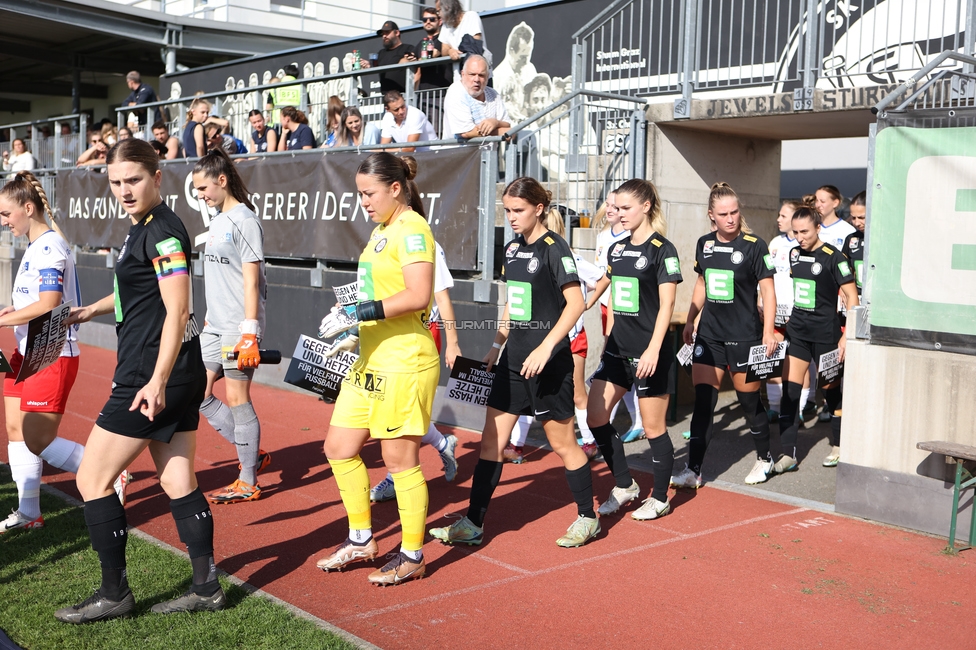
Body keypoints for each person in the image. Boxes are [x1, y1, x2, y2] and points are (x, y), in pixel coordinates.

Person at [54, 139, 219, 623]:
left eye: (133, 180)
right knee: (176, 477)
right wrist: (90, 310)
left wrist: (158, 379)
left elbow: (178, 309)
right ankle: (206, 588)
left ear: (157, 177)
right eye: (116, 183)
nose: (124, 190)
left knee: (92, 478)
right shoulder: (142, 229)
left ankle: (114, 594)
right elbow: (136, 290)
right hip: (171, 370)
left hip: (152, 373)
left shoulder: (164, 232)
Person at [429, 177, 599, 549]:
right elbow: (514, 302)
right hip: (512, 362)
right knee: (492, 442)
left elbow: (575, 304)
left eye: (518, 210)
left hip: (550, 365)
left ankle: (588, 516)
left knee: (563, 443)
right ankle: (473, 524)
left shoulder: (556, 249)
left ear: (539, 209)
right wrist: (495, 345)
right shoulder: (511, 250)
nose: (511, 218)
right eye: (507, 210)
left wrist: (548, 346)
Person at [314, 153, 438, 586]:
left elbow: (419, 295)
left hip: (405, 361)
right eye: (360, 193)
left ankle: (412, 554)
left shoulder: (414, 228)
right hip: (371, 358)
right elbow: (378, 296)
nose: (363, 201)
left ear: (396, 189)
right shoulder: (380, 231)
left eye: (369, 193)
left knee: (398, 459)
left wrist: (359, 311)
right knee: (338, 447)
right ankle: (362, 539)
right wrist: (355, 328)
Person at [0, 172, 127, 534]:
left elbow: (48, 305)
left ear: (28, 207)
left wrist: (3, 323)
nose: (4, 222)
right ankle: (29, 512)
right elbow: (34, 301)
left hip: (50, 354)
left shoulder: (50, 246)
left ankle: (109, 473)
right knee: (14, 429)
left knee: (37, 439)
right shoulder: (36, 244)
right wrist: (11, 311)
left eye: (7, 214)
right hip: (27, 352)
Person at [586, 179, 683, 520]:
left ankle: (660, 497)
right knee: (595, 415)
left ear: (646, 207)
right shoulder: (617, 248)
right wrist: (581, 303)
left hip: (648, 353)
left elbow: (667, 306)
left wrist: (654, 349)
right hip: (617, 351)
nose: (619, 214)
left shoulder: (663, 250)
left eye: (626, 208)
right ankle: (625, 484)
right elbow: (606, 288)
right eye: (617, 207)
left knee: (654, 428)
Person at [672, 182, 778, 488]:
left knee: (748, 401)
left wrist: (769, 331)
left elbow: (768, 291)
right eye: (723, 214)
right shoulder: (704, 244)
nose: (730, 218)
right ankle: (693, 469)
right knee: (704, 403)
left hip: (745, 336)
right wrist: (691, 319)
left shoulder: (755, 245)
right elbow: (702, 283)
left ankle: (764, 458)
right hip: (710, 336)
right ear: (711, 216)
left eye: (734, 212)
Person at [191, 149, 270, 504]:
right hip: (213, 325)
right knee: (198, 393)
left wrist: (249, 332)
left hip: (238, 328)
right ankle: (254, 455)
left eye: (204, 187)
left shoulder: (244, 220)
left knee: (238, 398)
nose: (200, 195)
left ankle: (248, 478)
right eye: (196, 190)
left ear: (222, 181)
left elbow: (251, 283)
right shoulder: (217, 221)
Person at [368, 240, 460, 502]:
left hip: (420, 334)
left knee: (400, 411)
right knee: (398, 410)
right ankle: (442, 444)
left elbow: (442, 298)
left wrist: (452, 343)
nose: (366, 204)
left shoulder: (424, 242)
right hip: (385, 334)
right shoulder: (378, 239)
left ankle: (395, 478)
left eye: (370, 195)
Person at [773, 203, 859, 472]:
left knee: (830, 391)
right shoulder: (793, 254)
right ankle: (788, 455)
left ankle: (839, 445)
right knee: (790, 391)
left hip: (826, 334)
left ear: (818, 228)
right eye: (796, 232)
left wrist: (846, 337)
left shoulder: (835, 257)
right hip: (798, 332)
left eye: (805, 232)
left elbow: (852, 297)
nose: (800, 237)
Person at [545, 206, 604, 460]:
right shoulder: (533, 257)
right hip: (546, 338)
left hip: (572, 337)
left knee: (578, 391)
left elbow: (602, 278)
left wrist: (587, 303)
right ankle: (515, 443)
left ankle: (591, 440)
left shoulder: (572, 260)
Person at [590, 192, 644, 442]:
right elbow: (600, 276)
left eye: (618, 206)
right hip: (606, 307)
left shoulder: (630, 236)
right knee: (613, 362)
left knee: (625, 365)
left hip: (626, 310)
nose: (612, 210)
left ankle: (638, 421)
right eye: (609, 205)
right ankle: (609, 423)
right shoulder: (602, 237)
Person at [765, 199, 802, 421]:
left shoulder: (803, 245)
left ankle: (797, 410)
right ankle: (774, 407)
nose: (778, 219)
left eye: (783, 216)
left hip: (798, 313)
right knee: (773, 357)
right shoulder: (774, 243)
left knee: (797, 363)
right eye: (778, 215)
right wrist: (762, 303)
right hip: (775, 312)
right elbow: (766, 278)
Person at [443, 55, 510, 140]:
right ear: (463, 74)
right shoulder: (456, 91)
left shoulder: (493, 94)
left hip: (487, 152)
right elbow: (466, 133)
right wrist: (504, 133)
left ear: (487, 76)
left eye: (481, 75)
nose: (476, 79)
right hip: (459, 152)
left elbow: (507, 124)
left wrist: (495, 122)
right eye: (472, 74)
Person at [413, 7, 453, 132]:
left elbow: (435, 53)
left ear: (440, 21)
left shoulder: (445, 39)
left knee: (438, 131)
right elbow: (415, 68)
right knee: (423, 132)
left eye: (431, 19)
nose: (428, 22)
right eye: (425, 19)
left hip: (439, 94)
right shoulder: (420, 43)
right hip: (422, 95)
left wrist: (420, 59)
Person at [494, 22, 537, 123]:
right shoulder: (498, 76)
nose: (526, 61)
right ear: (511, 51)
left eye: (529, 55)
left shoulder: (530, 69)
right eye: (523, 57)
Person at [436, 0, 493, 69]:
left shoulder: (471, 16)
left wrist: (454, 50)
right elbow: (444, 49)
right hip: (460, 77)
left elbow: (474, 44)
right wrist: (450, 51)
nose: (438, 14)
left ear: (447, 8)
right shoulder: (445, 26)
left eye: (438, 11)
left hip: (479, 73)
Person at [367, 21, 415, 94]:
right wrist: (367, 66)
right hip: (386, 97)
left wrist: (403, 61)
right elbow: (374, 67)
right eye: (383, 33)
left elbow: (415, 64)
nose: (384, 36)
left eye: (387, 32)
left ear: (397, 33)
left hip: (403, 95)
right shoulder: (381, 53)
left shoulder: (408, 48)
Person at [814, 185, 856, 250]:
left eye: (822, 201)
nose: (818, 205)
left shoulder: (848, 230)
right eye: (816, 201)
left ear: (835, 203)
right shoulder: (811, 227)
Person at [842, 190, 867, 296]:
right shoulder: (851, 239)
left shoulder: (887, 238)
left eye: (861, 217)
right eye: (853, 217)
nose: (856, 223)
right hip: (857, 298)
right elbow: (844, 268)